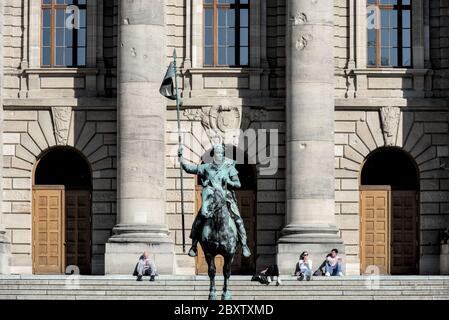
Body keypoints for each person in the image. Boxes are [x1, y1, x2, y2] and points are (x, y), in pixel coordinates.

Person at [178, 144, 251, 258]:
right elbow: (188, 168)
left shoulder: (229, 167)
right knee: (198, 220)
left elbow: (238, 184)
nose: (219, 155)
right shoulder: (206, 167)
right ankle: (194, 246)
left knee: (238, 220)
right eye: (217, 153)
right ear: (213, 155)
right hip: (211, 199)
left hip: (226, 199)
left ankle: (244, 245)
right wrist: (181, 157)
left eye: (221, 153)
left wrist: (229, 182)